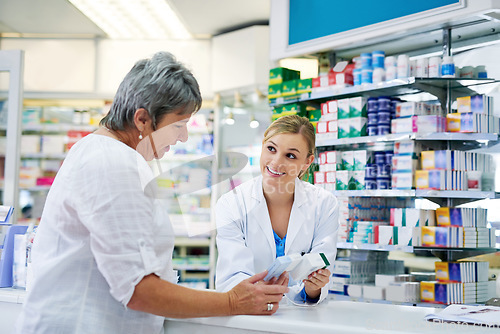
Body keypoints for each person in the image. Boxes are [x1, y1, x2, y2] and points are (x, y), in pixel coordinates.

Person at [15, 52, 288, 334]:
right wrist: (232, 302)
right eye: (179, 125)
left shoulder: (102, 152)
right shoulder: (114, 164)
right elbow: (138, 290)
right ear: (143, 119)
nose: (183, 137)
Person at [215, 115, 339, 305]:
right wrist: (259, 293)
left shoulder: (324, 204)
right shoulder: (232, 204)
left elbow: (318, 278)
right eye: (271, 149)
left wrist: (313, 287)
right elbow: (232, 275)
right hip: (248, 315)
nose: (276, 162)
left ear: (307, 162)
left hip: (301, 318)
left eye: (290, 156)